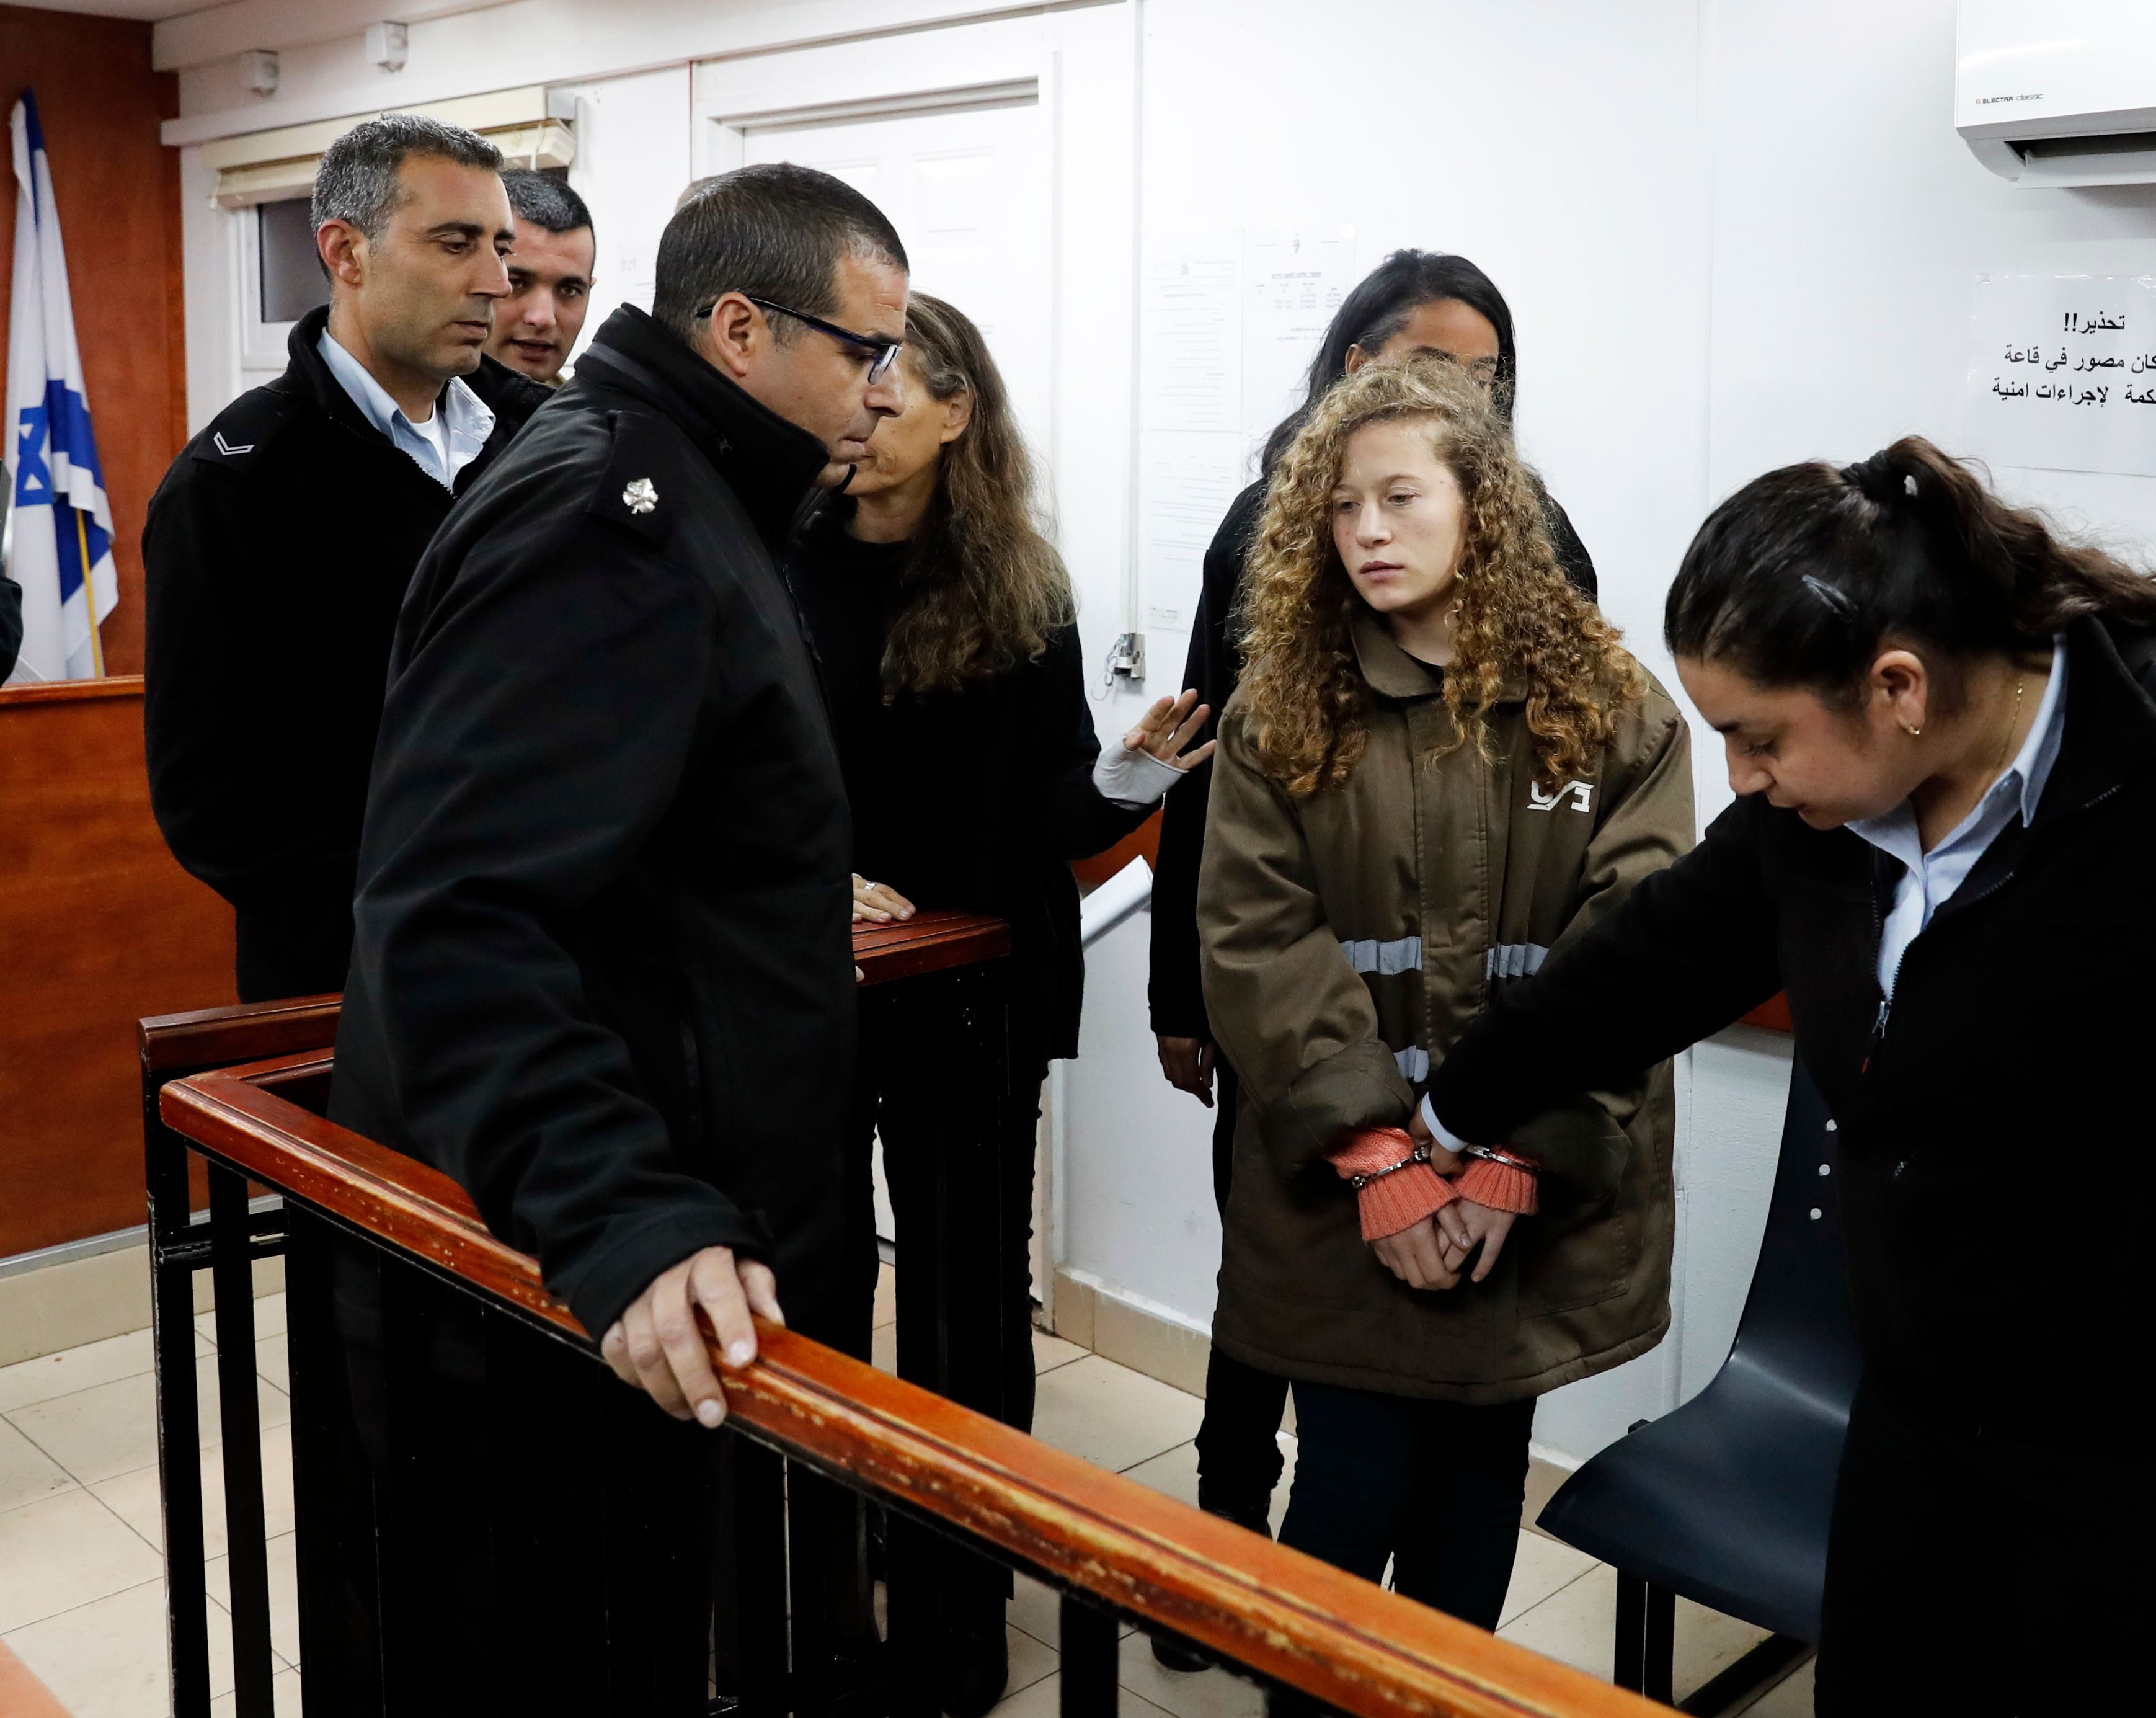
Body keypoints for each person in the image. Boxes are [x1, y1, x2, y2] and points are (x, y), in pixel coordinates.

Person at [1417, 436, 2156, 1716]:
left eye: (1754, 738)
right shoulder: (1826, 813)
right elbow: (1655, 957)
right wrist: (1456, 1099)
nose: (1740, 778)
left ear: (1898, 685)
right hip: (1927, 1419)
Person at [327, 162, 912, 1714]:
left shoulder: (676, 485)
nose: (884, 392)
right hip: (567, 1293)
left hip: (649, 1257)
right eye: (865, 351)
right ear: (740, 328)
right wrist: (620, 1206)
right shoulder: (619, 511)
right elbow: (452, 903)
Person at [1198, 357, 1692, 1634]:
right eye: (1342, 506)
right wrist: (1380, 1158)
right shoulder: (1280, 708)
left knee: (1476, 1494)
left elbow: (1632, 950)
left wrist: (1511, 1159)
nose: (1365, 529)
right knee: (1349, 1487)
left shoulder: (1609, 709)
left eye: (1400, 499)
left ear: (1483, 508)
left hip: (1520, 1199)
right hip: (1343, 1196)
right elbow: (1257, 939)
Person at [1145, 251, 1601, 1621]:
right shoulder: (1268, 540)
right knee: (1276, 1305)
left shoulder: (1546, 550)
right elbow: (1211, 797)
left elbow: (1594, 866)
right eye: (1428, 362)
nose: (1459, 391)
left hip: (1480, 1086)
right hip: (1308, 1050)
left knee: (1445, 1451)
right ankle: (1229, 1555)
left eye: (1484, 373)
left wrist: (1508, 1138)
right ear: (1351, 367)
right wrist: (1186, 996)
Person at [785, 290, 1213, 1712]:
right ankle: (825, 1585)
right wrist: (808, 871)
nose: (863, 393)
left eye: (893, 375)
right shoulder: (768, 556)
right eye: (852, 368)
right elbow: (721, 772)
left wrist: (1136, 778)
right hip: (807, 984)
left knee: (969, 1307)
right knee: (822, 1278)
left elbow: (1055, 813)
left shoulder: (1021, 586)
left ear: (960, 411)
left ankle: (960, 1596)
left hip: (978, 995)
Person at [142, 115, 548, 1002]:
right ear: (345, 252)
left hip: (559, 968)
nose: (495, 282)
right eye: (455, 243)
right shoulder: (236, 485)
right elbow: (220, 799)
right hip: (357, 994)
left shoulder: (535, 446)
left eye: (500, 246)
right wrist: (413, 936)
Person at [485, 168, 595, 381]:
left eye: (569, 290)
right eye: (516, 283)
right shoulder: (414, 410)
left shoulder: (592, 413)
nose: (544, 318)